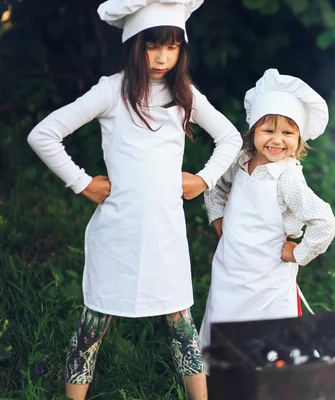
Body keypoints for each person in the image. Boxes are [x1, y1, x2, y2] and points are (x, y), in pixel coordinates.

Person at [26, 0, 242, 398]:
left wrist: (204, 179)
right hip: (116, 235)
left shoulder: (185, 95)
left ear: (182, 49)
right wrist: (82, 182)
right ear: (133, 45)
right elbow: (43, 134)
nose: (162, 56)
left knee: (181, 323)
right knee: (92, 326)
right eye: (152, 45)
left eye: (172, 46)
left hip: (166, 235)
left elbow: (230, 137)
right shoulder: (111, 90)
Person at [199, 68, 335, 347]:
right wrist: (219, 221)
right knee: (223, 319)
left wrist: (299, 252)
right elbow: (215, 185)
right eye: (268, 130)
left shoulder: (287, 178)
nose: (277, 140)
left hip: (268, 279)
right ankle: (221, 377)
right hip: (231, 267)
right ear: (253, 131)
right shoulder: (241, 161)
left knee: (265, 336)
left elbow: (325, 221)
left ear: (299, 138)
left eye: (288, 132)